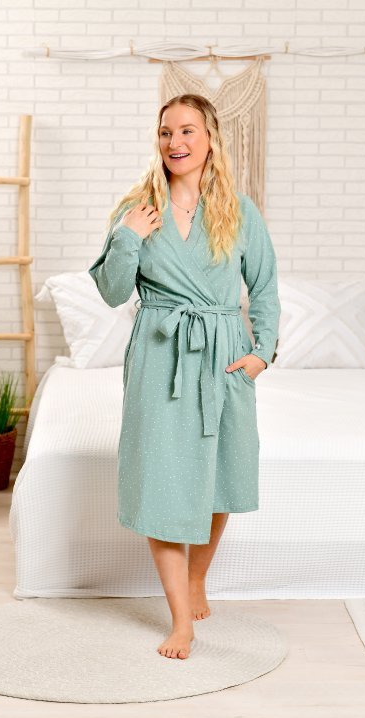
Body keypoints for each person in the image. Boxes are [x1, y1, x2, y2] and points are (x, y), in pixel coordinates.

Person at [88, 93, 280, 661]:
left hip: (223, 354)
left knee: (221, 472)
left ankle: (197, 578)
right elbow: (112, 292)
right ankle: (180, 621)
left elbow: (265, 286)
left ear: (211, 138)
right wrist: (127, 236)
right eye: (166, 132)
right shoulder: (137, 208)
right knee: (162, 481)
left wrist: (262, 353)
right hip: (160, 355)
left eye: (188, 131)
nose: (175, 142)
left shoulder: (238, 211)